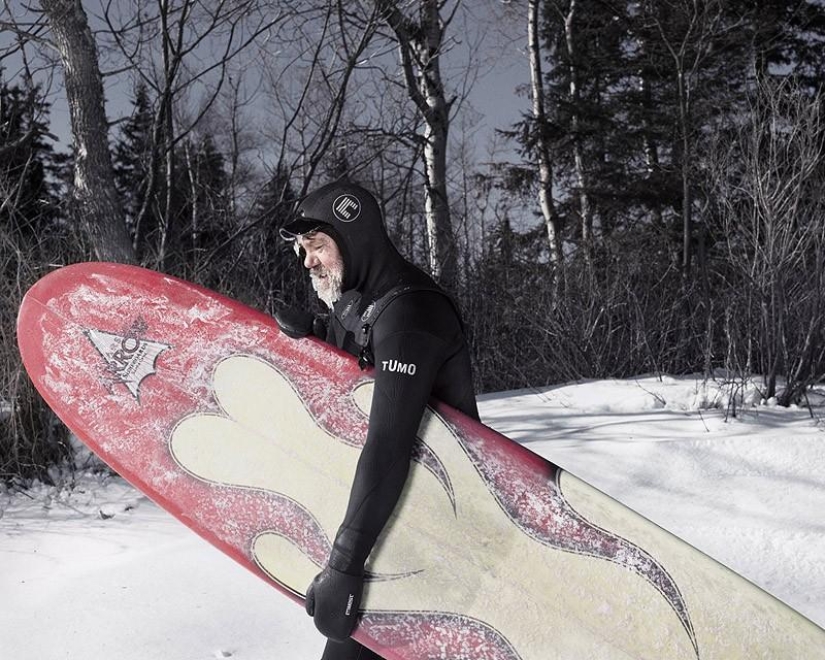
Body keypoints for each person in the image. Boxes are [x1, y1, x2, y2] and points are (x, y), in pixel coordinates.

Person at [276, 180, 479, 660]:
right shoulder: (363, 299)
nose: (307, 261)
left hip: (434, 536)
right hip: (394, 525)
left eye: (317, 246)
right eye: (302, 250)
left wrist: (344, 566)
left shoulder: (410, 312)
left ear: (355, 238)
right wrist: (318, 336)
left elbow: (389, 444)